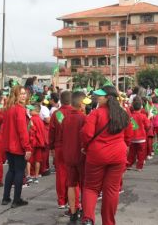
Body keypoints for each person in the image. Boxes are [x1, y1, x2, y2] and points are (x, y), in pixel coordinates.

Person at [81, 85, 132, 225]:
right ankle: (109, 222)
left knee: (91, 187)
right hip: (118, 155)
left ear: (108, 97)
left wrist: (85, 147)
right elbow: (129, 135)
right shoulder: (123, 113)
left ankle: (88, 219)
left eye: (100, 95)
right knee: (112, 190)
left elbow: (86, 134)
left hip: (97, 154)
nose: (97, 97)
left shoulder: (95, 113)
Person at [1, 85, 32, 208]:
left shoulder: (9, 108)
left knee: (11, 171)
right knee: (19, 172)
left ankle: (5, 197)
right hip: (18, 146)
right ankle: (16, 199)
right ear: (16, 95)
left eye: (24, 93)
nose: (24, 96)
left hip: (8, 145)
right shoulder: (19, 109)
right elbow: (22, 131)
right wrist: (27, 148)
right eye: (21, 94)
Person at [61, 91, 88, 223]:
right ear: (81, 104)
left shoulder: (65, 118)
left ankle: (73, 213)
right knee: (84, 185)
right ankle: (85, 211)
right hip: (81, 156)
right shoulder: (83, 118)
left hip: (68, 155)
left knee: (71, 184)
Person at [49, 91, 73, 209]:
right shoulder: (76, 113)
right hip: (73, 147)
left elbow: (51, 132)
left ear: (60, 101)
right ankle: (72, 201)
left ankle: (62, 200)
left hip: (59, 147)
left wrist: (51, 147)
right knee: (73, 174)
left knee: (61, 174)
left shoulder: (57, 114)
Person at [127, 96, 151, 171]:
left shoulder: (130, 117)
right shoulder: (143, 116)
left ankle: (129, 165)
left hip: (132, 137)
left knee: (131, 152)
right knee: (141, 153)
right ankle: (139, 167)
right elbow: (148, 126)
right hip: (141, 138)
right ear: (141, 107)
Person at [28, 104, 46, 184]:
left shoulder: (31, 119)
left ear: (36, 111)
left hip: (32, 142)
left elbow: (30, 131)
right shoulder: (40, 120)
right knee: (37, 160)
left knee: (28, 160)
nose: (29, 111)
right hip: (40, 142)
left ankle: (29, 175)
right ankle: (36, 175)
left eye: (31, 110)